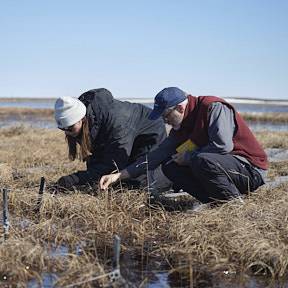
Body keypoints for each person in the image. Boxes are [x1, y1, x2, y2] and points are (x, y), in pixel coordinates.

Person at [100, 87, 268, 204]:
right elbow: (156, 156)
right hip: (221, 168)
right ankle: (216, 203)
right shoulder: (181, 127)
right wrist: (119, 175)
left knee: (202, 160)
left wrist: (188, 157)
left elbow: (222, 146)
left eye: (166, 116)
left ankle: (233, 206)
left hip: (249, 170)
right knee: (170, 166)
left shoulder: (213, 107)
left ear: (180, 108)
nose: (165, 121)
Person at [54, 88, 167, 190]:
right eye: (62, 128)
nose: (67, 132)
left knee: (136, 184)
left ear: (81, 120)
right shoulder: (89, 118)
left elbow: (114, 164)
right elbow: (97, 157)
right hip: (129, 136)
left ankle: (166, 180)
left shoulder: (117, 124)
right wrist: (87, 180)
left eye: (70, 128)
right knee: (103, 181)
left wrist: (75, 179)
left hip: (150, 135)